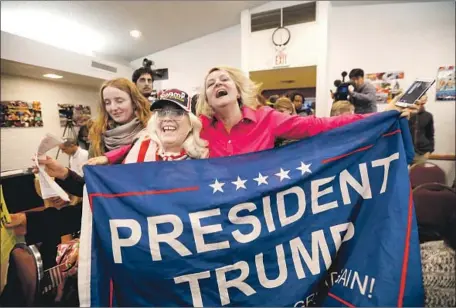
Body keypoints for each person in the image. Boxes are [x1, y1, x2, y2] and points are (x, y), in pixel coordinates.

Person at [196, 66, 413, 158]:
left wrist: (381, 116)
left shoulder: (267, 119)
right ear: (206, 98)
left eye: (224, 80)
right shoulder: (198, 128)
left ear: (238, 91)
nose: (217, 84)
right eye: (210, 84)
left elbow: (319, 125)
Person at [89, 89, 209, 165]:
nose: (167, 118)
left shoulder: (204, 156)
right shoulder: (140, 147)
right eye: (161, 113)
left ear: (191, 123)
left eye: (177, 113)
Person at [88, 78, 151, 158]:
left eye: (119, 101)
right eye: (107, 103)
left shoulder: (151, 130)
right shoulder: (98, 135)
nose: (113, 108)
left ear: (134, 102)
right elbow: (90, 168)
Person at [408, 95, 435, 165]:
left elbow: (430, 134)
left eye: (424, 98)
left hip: (421, 154)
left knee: (419, 175)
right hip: (406, 153)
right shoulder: (406, 114)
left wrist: (429, 151)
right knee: (403, 175)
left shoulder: (428, 116)